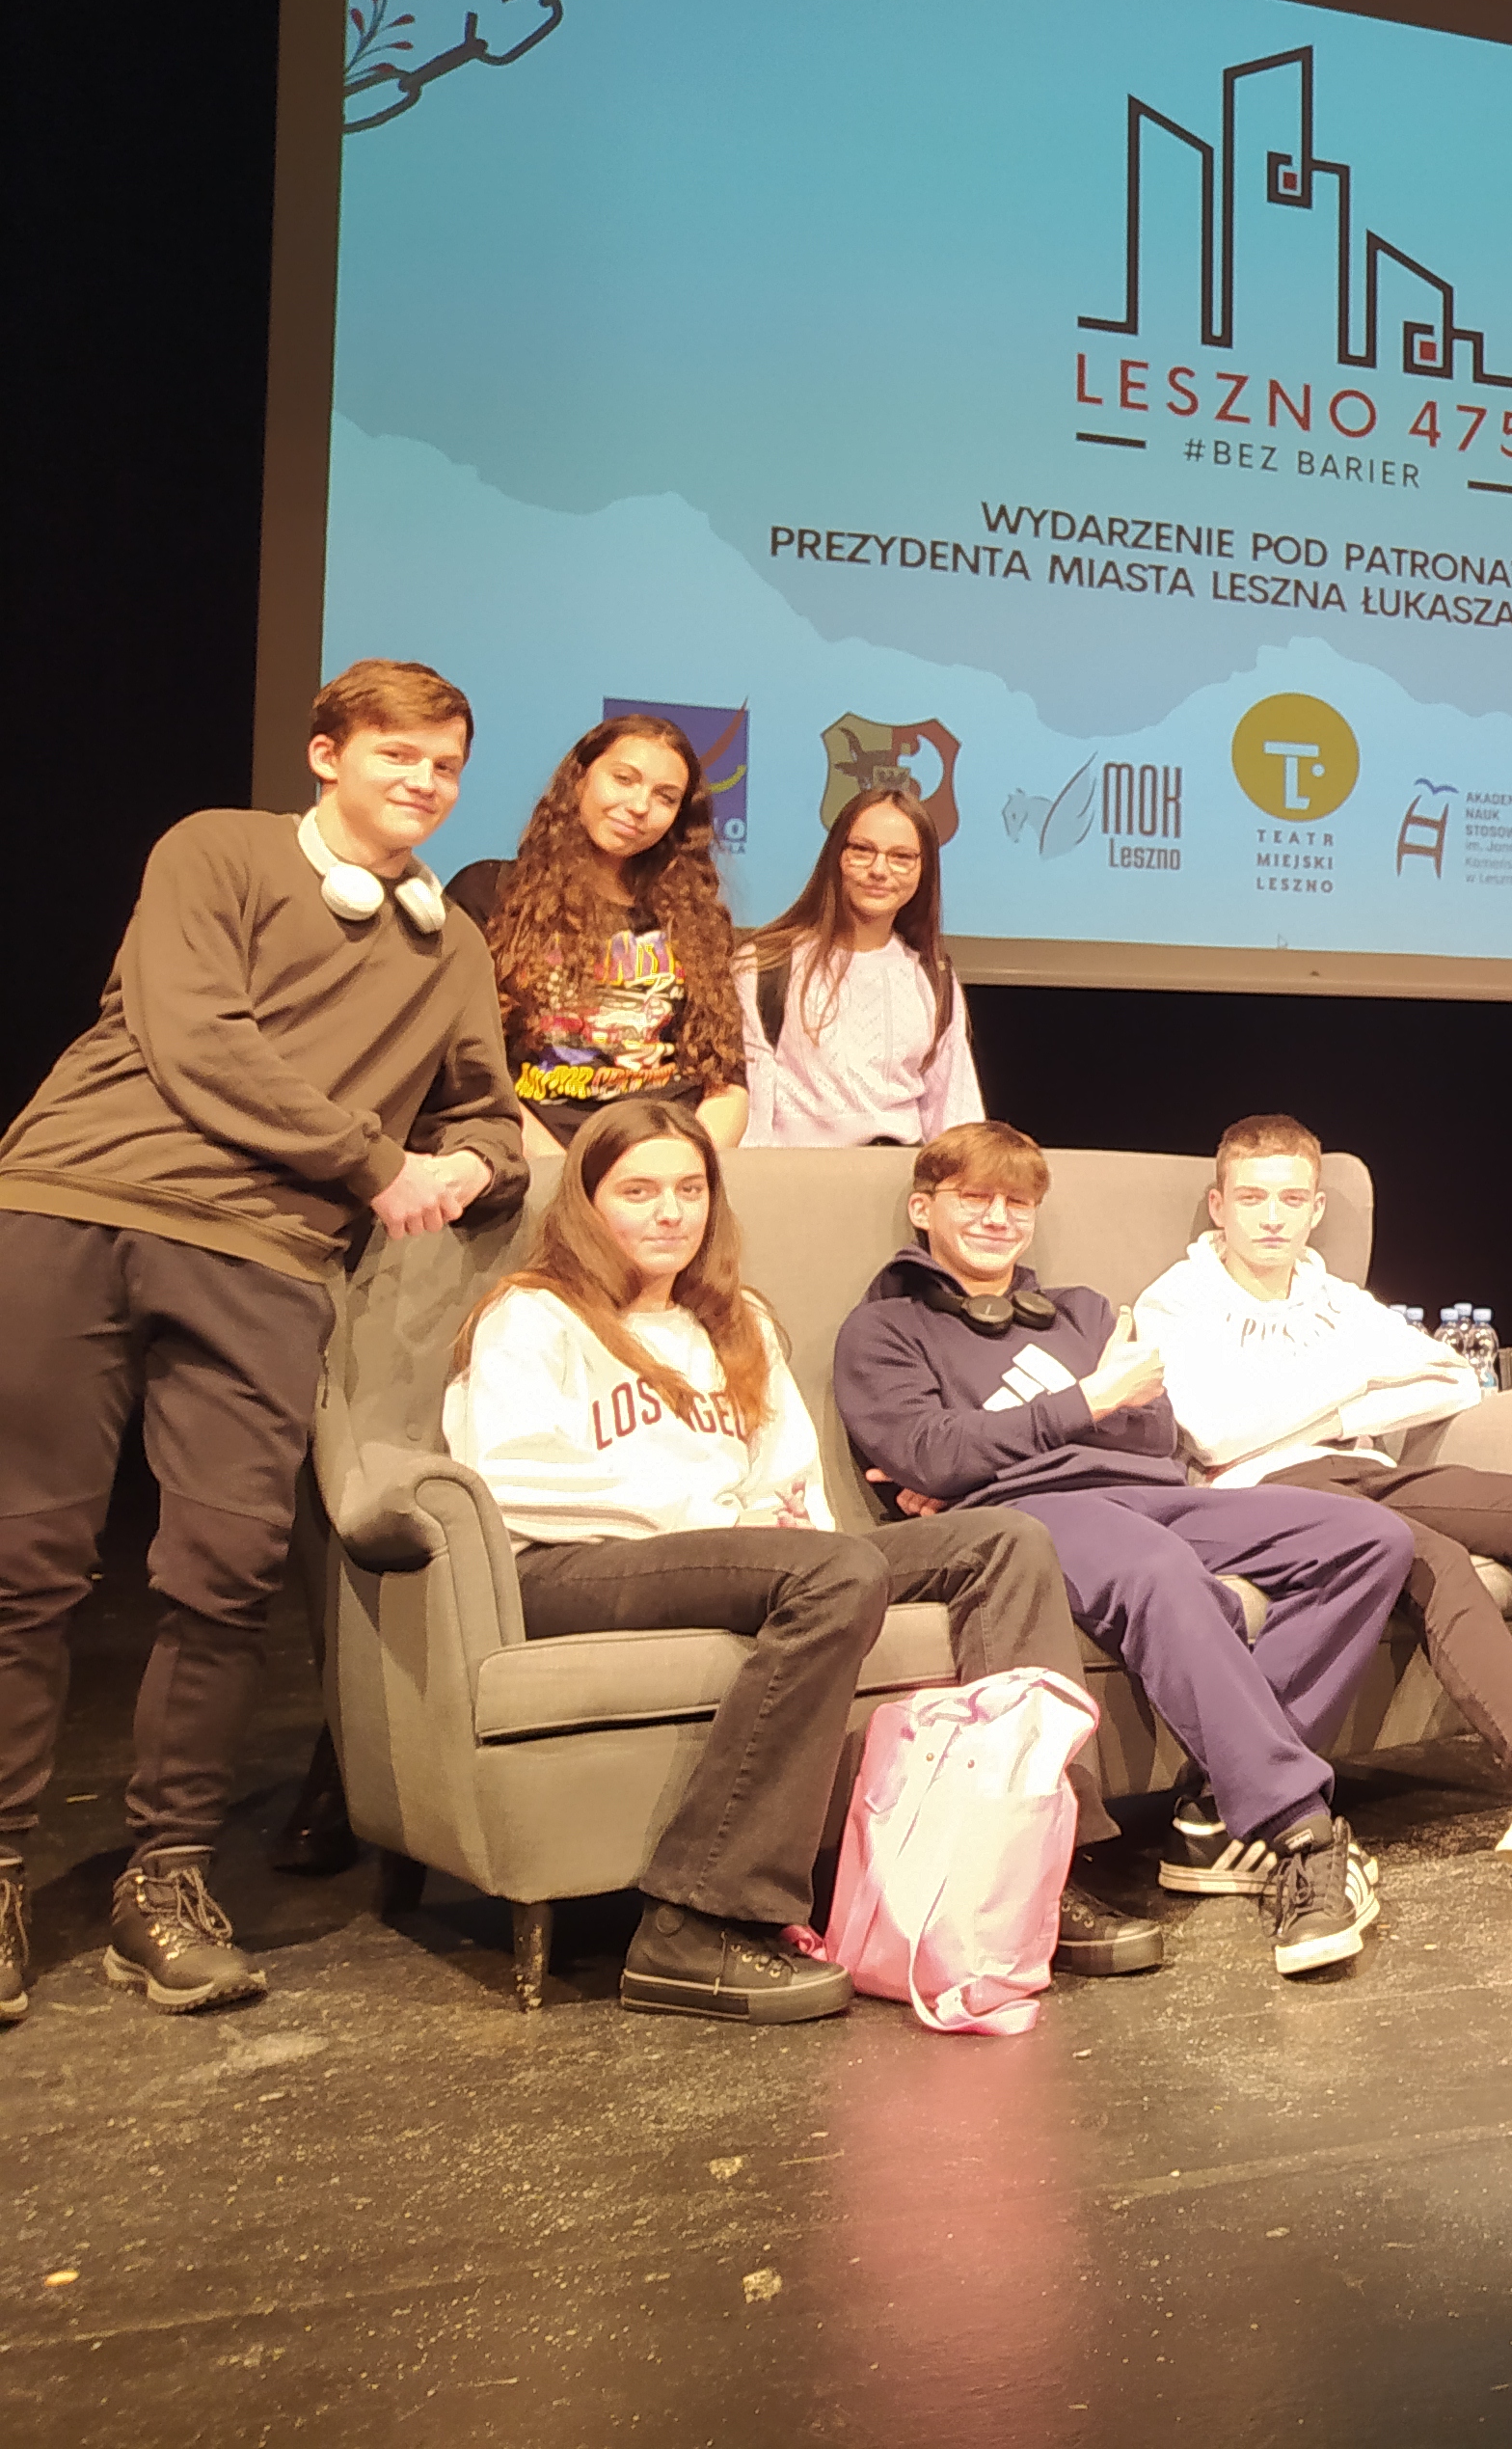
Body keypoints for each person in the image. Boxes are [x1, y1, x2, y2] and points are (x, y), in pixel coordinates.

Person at [0, 660, 525, 2021]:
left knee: (225, 1575)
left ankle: (165, 1880)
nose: (424, 782)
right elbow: (198, 1038)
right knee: (24, 1563)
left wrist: (472, 1164)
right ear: (326, 754)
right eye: (397, 754)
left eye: (446, 765)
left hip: (266, 1257)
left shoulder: (451, 946)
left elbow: (485, 1110)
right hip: (77, 1203)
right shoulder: (218, 851)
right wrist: (374, 1161)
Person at [442, 1097, 1164, 2021]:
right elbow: (508, 1477)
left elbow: (787, 1478)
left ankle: (1035, 1872)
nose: (670, 1213)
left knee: (1005, 1541)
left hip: (736, 1554)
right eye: (638, 1192)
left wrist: (785, 1523)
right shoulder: (534, 1315)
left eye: (690, 1190)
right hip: (576, 1561)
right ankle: (696, 1921)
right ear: (587, 1203)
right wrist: (711, 1517)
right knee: (835, 1573)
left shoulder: (735, 1319)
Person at [831, 1123, 1424, 1973]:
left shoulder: (1082, 1312)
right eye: (975, 1199)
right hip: (1026, 1516)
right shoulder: (885, 1329)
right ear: (924, 1209)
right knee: (1158, 1570)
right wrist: (1086, 1404)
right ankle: (1300, 1831)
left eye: (1017, 1203)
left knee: (1366, 1537)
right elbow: (930, 1456)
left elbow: (1154, 1432)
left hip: (1152, 1493)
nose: (998, 1218)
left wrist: (1012, 1435)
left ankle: (1218, 1803)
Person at [1134, 1117, 1512, 1901]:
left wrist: (1335, 1407)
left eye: (1291, 1199)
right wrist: (1358, 1377)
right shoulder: (1178, 1302)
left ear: (1316, 1209)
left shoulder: (1336, 1298)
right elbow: (1216, 1430)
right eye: (1251, 1198)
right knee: (1427, 1554)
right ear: (1219, 1205)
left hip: (1363, 1467)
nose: (1272, 1217)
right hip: (1263, 1490)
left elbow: (1452, 1378)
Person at [449, 713, 749, 1153]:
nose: (640, 806)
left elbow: (726, 1082)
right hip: (533, 1151)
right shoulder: (488, 893)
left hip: (666, 1156)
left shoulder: (696, 918)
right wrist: (560, 1171)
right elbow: (466, 1066)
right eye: (624, 779)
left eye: (665, 797)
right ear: (579, 780)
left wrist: (685, 1165)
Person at [739, 789, 983, 1148]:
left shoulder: (933, 977)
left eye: (902, 857)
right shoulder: (765, 965)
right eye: (862, 850)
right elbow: (751, 1112)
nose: (879, 870)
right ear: (837, 856)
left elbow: (955, 1115)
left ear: (923, 870)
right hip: (799, 1172)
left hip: (902, 1171)